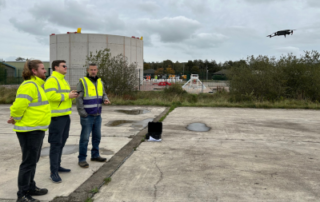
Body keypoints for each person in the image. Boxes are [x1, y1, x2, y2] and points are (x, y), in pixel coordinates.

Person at [8, 60, 51, 202]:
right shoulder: (29, 86)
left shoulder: (38, 85)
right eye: (42, 68)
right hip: (29, 130)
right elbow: (18, 106)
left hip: (36, 128)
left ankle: (30, 187)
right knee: (28, 162)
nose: (45, 71)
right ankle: (22, 194)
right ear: (34, 71)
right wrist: (15, 117)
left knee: (33, 160)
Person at [44, 60, 78, 183]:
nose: (66, 67)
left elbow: (63, 96)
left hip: (65, 116)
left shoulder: (63, 80)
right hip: (55, 118)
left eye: (66, 65)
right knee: (55, 144)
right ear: (56, 67)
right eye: (63, 66)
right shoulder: (52, 80)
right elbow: (50, 96)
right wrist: (67, 96)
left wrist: (72, 95)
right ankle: (53, 172)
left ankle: (57, 166)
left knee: (62, 142)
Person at [76, 63, 111, 168]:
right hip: (87, 115)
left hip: (97, 114)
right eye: (91, 70)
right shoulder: (83, 82)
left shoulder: (100, 82)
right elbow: (78, 99)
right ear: (88, 70)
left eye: (95, 70)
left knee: (97, 137)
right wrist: (82, 113)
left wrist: (106, 99)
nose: (93, 71)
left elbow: (103, 93)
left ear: (97, 70)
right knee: (85, 138)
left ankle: (95, 155)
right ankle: (82, 159)